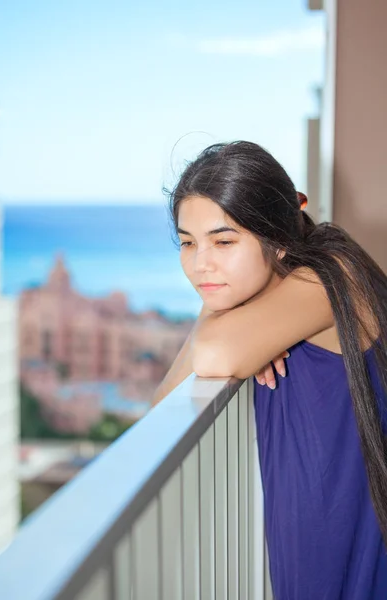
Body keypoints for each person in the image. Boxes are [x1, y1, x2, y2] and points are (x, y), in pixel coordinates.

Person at [152, 141, 387, 599]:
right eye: (187, 243)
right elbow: (162, 410)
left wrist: (231, 319)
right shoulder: (281, 294)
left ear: (279, 239)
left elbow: (215, 355)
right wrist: (241, 310)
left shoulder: (334, 273)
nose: (201, 264)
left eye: (223, 241)